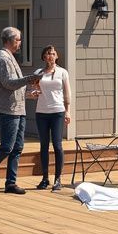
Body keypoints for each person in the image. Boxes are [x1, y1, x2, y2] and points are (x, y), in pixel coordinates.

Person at [0, 27, 40, 195]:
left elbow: (12, 88)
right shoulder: (2, 59)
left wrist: (28, 94)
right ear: (10, 40)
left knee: (17, 147)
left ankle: (10, 183)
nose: (20, 43)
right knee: (7, 146)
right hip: (7, 110)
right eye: (18, 40)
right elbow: (8, 83)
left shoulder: (9, 57)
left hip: (17, 109)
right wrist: (30, 78)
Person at [29, 44, 71, 191]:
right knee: (44, 145)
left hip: (58, 111)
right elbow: (34, 90)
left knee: (57, 145)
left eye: (53, 53)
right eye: (48, 53)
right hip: (41, 112)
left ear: (57, 56)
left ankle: (58, 178)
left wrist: (68, 111)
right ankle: (45, 178)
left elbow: (67, 93)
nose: (51, 56)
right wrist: (33, 93)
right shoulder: (38, 73)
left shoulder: (62, 72)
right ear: (44, 56)